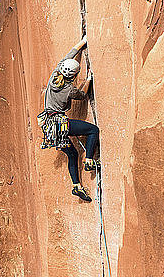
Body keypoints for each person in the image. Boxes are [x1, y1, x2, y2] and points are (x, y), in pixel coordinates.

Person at [37, 36, 100, 202]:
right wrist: (88, 80)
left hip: (48, 126)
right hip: (59, 123)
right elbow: (82, 95)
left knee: (72, 154)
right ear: (73, 75)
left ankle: (76, 186)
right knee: (93, 130)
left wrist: (83, 41)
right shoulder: (69, 89)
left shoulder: (54, 76)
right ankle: (89, 160)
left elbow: (70, 55)